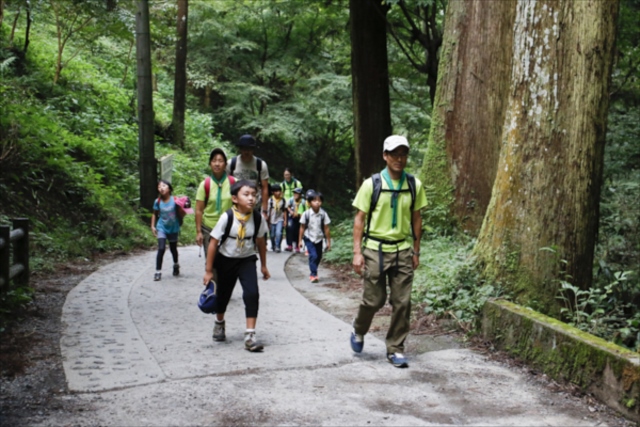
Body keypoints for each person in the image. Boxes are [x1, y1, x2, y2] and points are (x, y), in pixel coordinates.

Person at [350, 135, 428, 369]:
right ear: (385, 156)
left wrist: (416, 251)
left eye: (403, 154)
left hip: (403, 249)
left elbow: (417, 218)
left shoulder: (414, 185)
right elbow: (359, 219)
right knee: (374, 300)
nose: (399, 159)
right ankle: (359, 329)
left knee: (402, 301)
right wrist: (357, 252)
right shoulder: (371, 184)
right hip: (375, 248)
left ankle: (395, 348)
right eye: (394, 154)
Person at [203, 180, 270, 352]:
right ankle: (219, 322)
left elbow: (261, 242)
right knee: (224, 295)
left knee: (252, 293)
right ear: (234, 198)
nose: (251, 199)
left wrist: (264, 265)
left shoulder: (257, 218)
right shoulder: (227, 217)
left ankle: (250, 335)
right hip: (226, 260)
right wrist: (209, 271)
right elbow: (213, 243)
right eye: (246, 194)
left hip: (247, 260)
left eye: (254, 195)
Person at [195, 148, 234, 264]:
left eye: (220, 161)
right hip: (209, 228)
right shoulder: (205, 184)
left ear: (225, 164)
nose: (217, 163)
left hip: (229, 228)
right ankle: (213, 282)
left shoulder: (233, 183)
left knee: (227, 263)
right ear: (210, 163)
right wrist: (198, 232)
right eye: (214, 160)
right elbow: (199, 210)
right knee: (211, 263)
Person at [226, 134, 270, 219]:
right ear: (240, 149)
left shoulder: (260, 165)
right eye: (244, 148)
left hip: (254, 205)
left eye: (249, 149)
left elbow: (265, 188)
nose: (246, 152)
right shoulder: (231, 164)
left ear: (253, 150)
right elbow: (226, 185)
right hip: (235, 205)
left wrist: (264, 211)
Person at [151, 180, 181, 281]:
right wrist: (152, 226)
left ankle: (176, 264)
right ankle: (158, 272)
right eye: (159, 186)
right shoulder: (157, 201)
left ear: (169, 188)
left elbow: (182, 212)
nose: (161, 188)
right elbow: (154, 214)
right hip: (161, 227)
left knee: (173, 249)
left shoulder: (175, 200)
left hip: (173, 228)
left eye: (164, 186)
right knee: (161, 248)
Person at [298, 190, 331, 283]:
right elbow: (302, 227)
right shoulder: (306, 214)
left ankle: (313, 268)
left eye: (319, 200)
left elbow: (327, 228)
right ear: (309, 202)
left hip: (319, 238)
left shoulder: (323, 214)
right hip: (309, 237)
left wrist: (328, 242)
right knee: (313, 255)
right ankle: (313, 274)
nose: (317, 202)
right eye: (314, 200)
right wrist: (300, 240)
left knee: (319, 256)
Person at [267, 184, 286, 253]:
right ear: (273, 192)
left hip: (280, 219)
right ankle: (273, 245)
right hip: (272, 219)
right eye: (276, 191)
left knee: (279, 233)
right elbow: (268, 211)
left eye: (279, 191)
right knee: (272, 235)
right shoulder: (270, 200)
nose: (278, 192)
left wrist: (285, 220)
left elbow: (284, 211)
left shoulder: (283, 200)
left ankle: (278, 246)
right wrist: (268, 222)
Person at [286, 187, 305, 252]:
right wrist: (291, 211)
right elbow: (287, 207)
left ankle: (297, 246)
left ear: (300, 194)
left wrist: (299, 214)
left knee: (297, 231)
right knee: (289, 229)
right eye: (294, 193)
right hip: (291, 217)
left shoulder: (303, 202)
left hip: (299, 218)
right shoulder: (291, 199)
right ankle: (289, 245)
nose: (295, 195)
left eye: (297, 193)